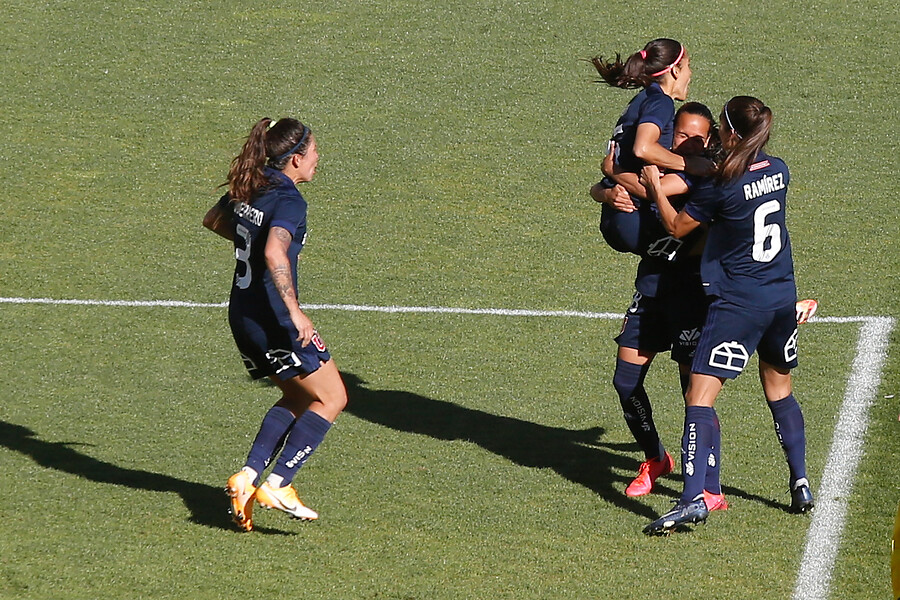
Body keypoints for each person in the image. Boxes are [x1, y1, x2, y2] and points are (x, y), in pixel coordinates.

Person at [641, 97, 814, 535]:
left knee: (699, 400)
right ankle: (800, 482)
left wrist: (655, 185)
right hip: (781, 298)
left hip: (738, 304)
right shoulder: (780, 170)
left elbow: (677, 227)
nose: (716, 134)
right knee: (780, 392)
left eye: (720, 128)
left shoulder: (723, 184)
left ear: (733, 133)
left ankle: (690, 499)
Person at [203, 117, 348, 532]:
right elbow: (273, 253)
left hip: (243, 316)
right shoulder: (288, 201)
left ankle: (247, 479)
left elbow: (214, 220)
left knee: (299, 396)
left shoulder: (252, 182)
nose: (318, 159)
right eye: (315, 152)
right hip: (277, 319)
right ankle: (279, 484)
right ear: (296, 159)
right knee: (333, 398)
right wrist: (295, 310)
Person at [596, 103, 727, 510]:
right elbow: (610, 182)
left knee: (695, 395)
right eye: (680, 135)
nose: (686, 142)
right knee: (625, 381)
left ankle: (710, 484)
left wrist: (622, 176)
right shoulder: (656, 169)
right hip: (652, 287)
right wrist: (605, 189)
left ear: (709, 143)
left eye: (696, 137)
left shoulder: (702, 178)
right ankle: (656, 458)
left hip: (691, 294)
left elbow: (644, 186)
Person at [589, 38, 712, 256]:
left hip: (615, 214)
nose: (690, 74)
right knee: (716, 242)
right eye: (688, 66)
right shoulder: (661, 102)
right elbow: (643, 149)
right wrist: (689, 164)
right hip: (636, 220)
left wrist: (609, 179)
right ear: (675, 71)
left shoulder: (641, 99)